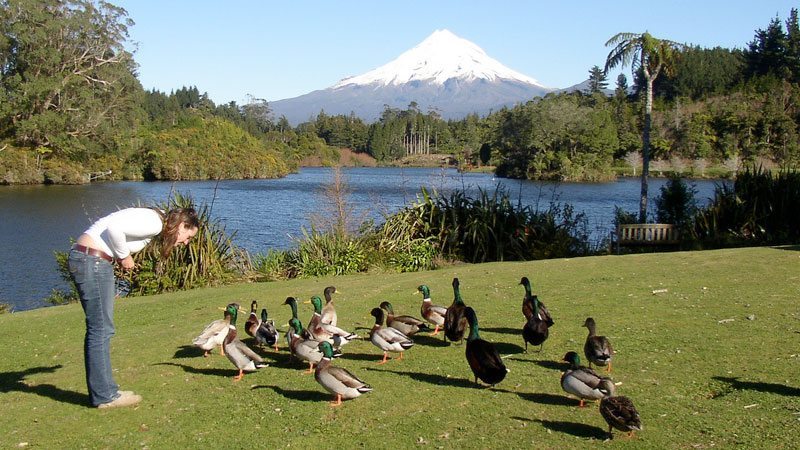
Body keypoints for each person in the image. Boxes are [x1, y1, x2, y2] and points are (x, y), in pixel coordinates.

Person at [68, 207, 200, 409]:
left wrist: (119, 255)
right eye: (188, 236)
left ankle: (107, 390)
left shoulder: (156, 218)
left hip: (91, 260)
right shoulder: (155, 222)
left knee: (101, 328)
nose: (185, 242)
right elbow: (114, 229)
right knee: (101, 329)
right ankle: (104, 396)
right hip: (92, 261)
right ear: (182, 225)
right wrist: (123, 256)